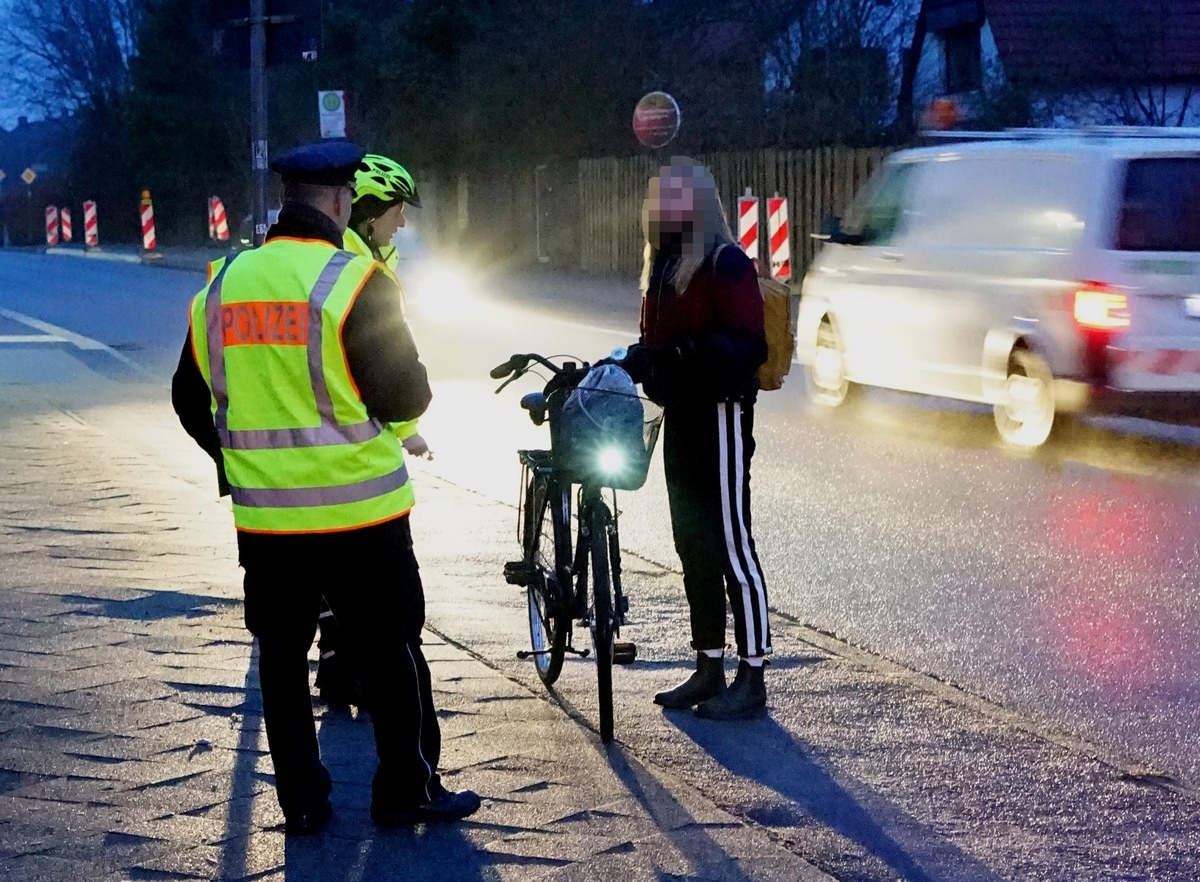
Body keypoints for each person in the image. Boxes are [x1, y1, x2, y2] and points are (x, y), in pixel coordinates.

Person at [170, 139, 481, 834]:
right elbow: (405, 393)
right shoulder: (353, 281)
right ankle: (405, 791)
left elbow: (191, 399)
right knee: (392, 649)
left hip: (267, 521)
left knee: (281, 658)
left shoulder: (222, 283)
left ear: (286, 203)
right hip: (361, 514)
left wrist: (241, 464)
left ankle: (303, 804)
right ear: (340, 203)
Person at [615, 157, 772, 720]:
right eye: (656, 199)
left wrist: (688, 354)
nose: (659, 208)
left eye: (672, 198)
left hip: (722, 416)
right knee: (692, 543)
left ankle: (752, 674)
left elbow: (751, 345)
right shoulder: (663, 265)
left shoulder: (726, 262)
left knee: (732, 542)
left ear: (698, 204)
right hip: (679, 415)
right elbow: (656, 341)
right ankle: (708, 667)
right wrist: (637, 363)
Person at [313, 153, 429, 709]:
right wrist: (409, 424)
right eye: (396, 210)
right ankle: (407, 776)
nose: (402, 222)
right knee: (390, 610)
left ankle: (336, 672)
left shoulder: (328, 263)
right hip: (353, 470)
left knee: (327, 589)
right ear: (364, 213)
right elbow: (389, 376)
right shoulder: (358, 277)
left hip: (286, 478)